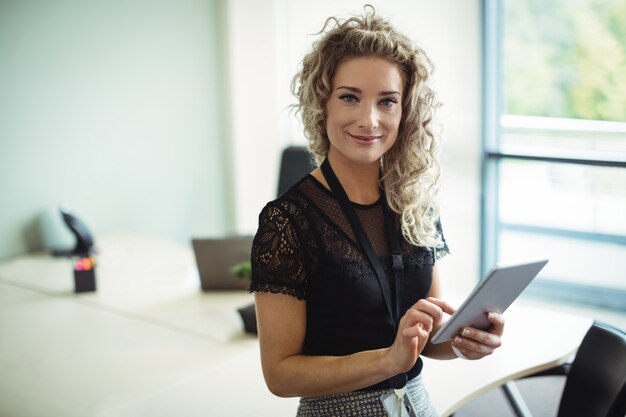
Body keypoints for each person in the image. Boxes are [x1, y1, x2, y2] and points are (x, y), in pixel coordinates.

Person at [250, 6, 504, 417]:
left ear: (404, 113)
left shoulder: (416, 206)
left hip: (417, 406)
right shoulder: (287, 221)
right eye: (350, 97)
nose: (369, 120)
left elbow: (429, 338)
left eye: (387, 101)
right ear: (323, 104)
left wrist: (464, 342)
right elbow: (280, 375)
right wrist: (388, 360)